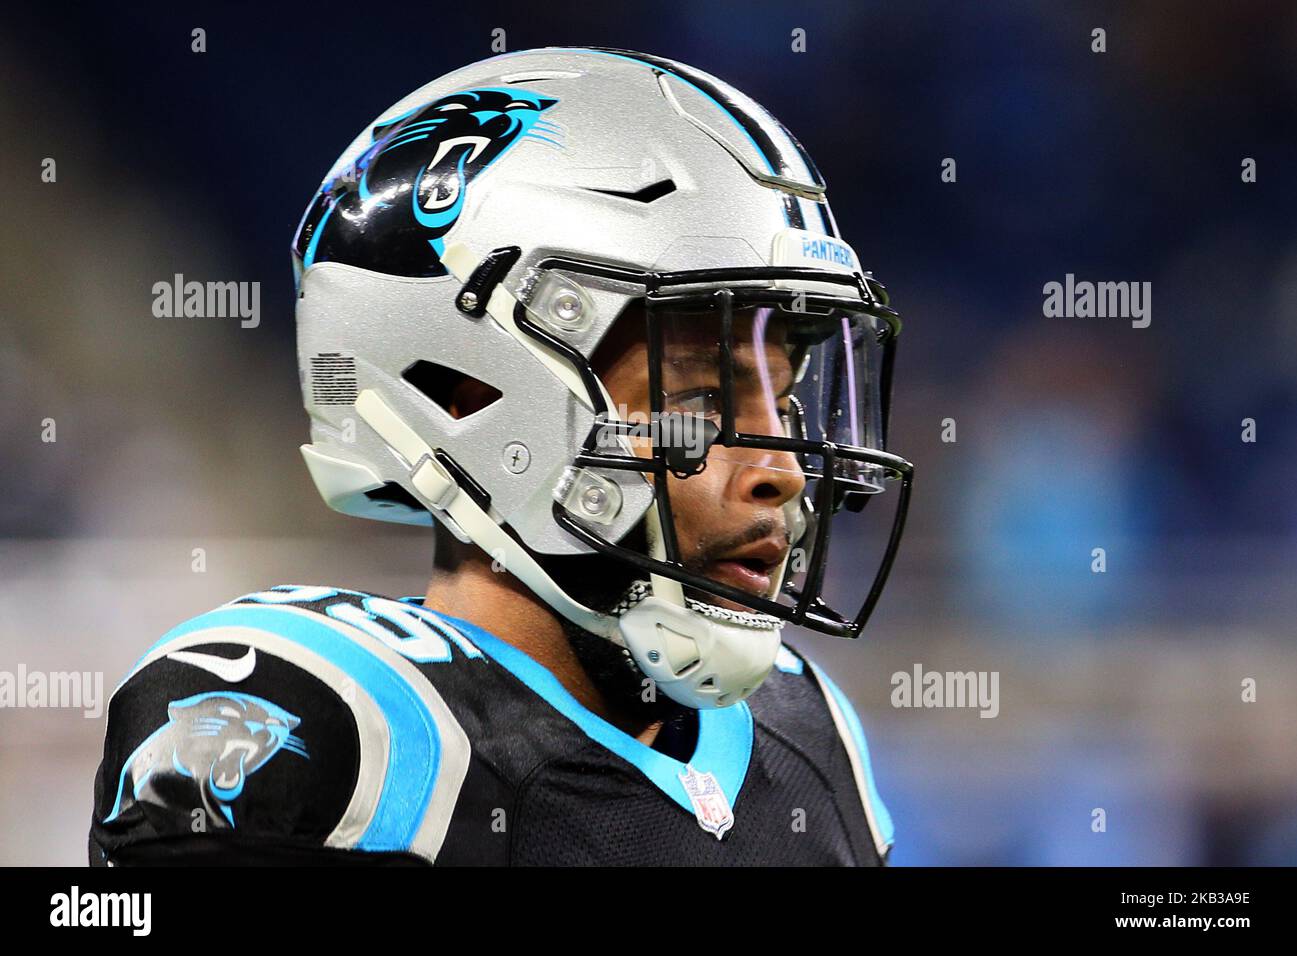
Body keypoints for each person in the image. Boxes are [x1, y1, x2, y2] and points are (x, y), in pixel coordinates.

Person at [89, 47, 913, 866]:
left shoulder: (807, 736)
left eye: (784, 396)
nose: (786, 471)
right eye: (699, 396)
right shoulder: (341, 730)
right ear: (464, 390)